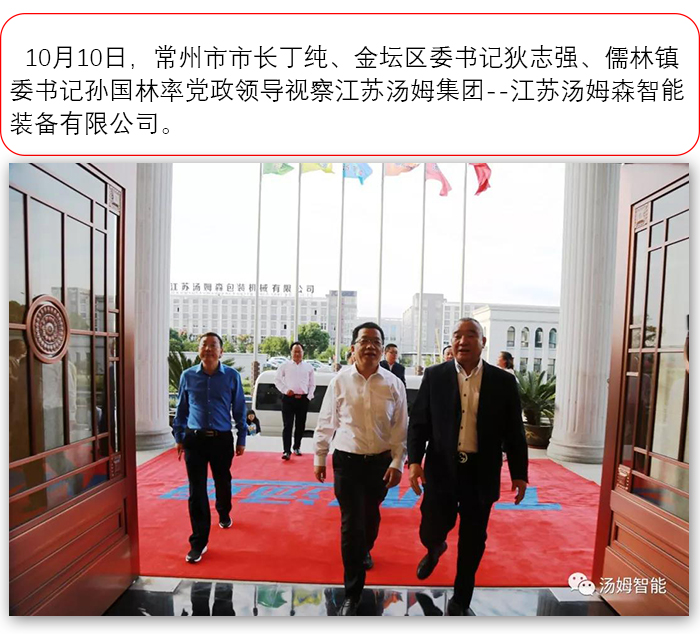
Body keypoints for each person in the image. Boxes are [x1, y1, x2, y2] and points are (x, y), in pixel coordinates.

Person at [407, 318, 528, 616]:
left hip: (480, 472)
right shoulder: (435, 376)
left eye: (471, 335)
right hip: (441, 470)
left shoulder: (502, 381)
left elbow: (514, 431)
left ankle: (461, 598)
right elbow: (419, 423)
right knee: (431, 527)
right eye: (457, 335)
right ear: (452, 342)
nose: (463, 341)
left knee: (473, 539)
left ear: (483, 342)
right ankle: (435, 547)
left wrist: (519, 473)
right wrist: (414, 461)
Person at [313, 322, 407, 616]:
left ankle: (365, 548)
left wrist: (397, 462)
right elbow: (327, 421)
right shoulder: (339, 381)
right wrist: (320, 456)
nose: (370, 346)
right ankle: (352, 593)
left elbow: (400, 429)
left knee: (370, 518)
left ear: (382, 348)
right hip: (347, 462)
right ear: (353, 347)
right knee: (351, 524)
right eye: (364, 341)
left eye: (376, 342)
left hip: (379, 463)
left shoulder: (393, 384)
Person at [172, 332, 247, 564]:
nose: (208, 349)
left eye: (213, 345)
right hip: (194, 440)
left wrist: (242, 437)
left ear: (221, 351)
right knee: (196, 491)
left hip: (221, 439)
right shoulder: (187, 376)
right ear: (199, 350)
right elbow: (181, 408)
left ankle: (224, 511)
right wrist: (179, 436)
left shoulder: (232, 376)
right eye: (204, 345)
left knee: (222, 481)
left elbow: (239, 408)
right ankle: (198, 542)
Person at [274, 342, 315, 459]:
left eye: (299, 351)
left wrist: (309, 396)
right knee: (288, 425)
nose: (297, 354)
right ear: (291, 352)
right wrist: (285, 390)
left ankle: (297, 447)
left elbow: (312, 384)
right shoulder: (284, 366)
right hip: (288, 399)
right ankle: (286, 451)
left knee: (300, 425)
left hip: (303, 399)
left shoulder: (309, 367)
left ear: (303, 352)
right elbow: (277, 380)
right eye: (295, 351)